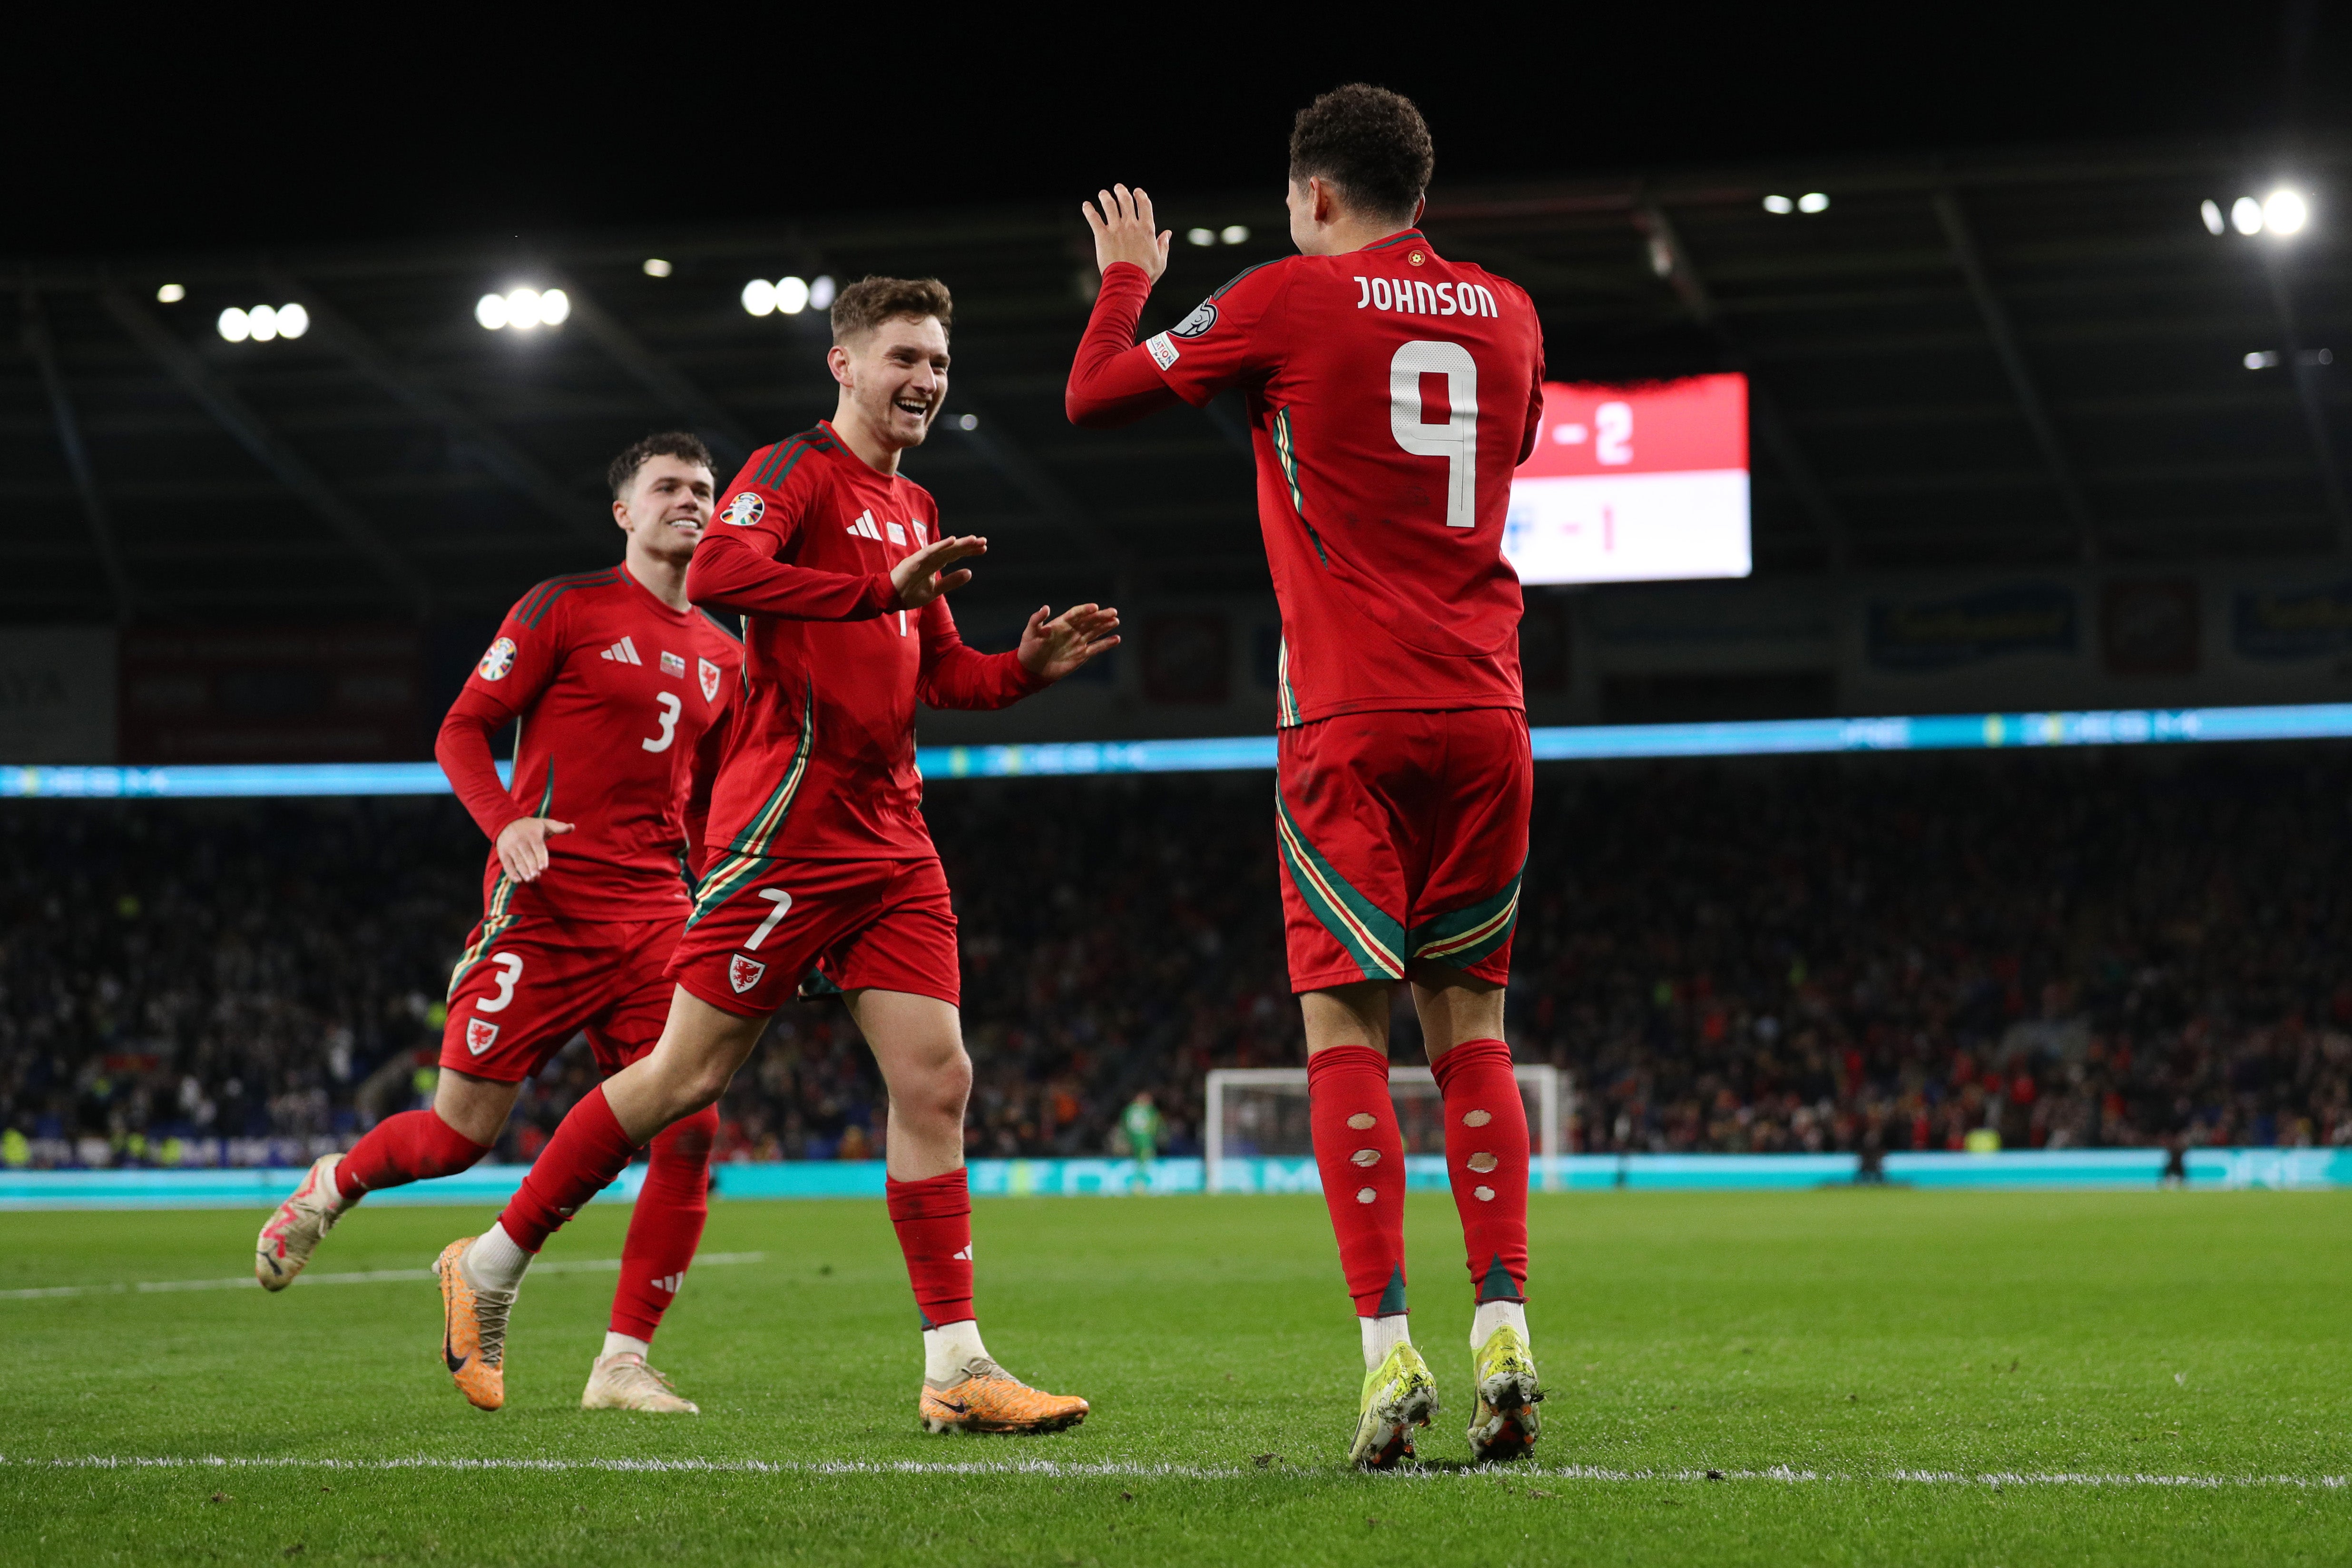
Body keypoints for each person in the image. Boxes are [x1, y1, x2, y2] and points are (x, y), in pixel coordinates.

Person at [431, 276, 1119, 1433]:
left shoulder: (918, 502)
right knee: (683, 1081)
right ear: (843, 366)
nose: (926, 380)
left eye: (940, 364)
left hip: (892, 834)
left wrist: (1021, 672)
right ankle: (490, 1263)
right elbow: (721, 576)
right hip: (784, 828)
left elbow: (937, 668)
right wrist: (871, 592)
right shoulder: (789, 471)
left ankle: (955, 1365)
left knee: (937, 1079)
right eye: (904, 357)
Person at [1065, 84, 1547, 1468]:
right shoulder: (1512, 313)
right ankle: (1503, 1320)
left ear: (1318, 196)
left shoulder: (1290, 295)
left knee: (1349, 1035)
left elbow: (1097, 395)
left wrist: (1128, 282)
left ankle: (1387, 1352)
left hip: (1348, 717)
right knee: (1476, 1033)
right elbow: (1497, 456)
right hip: (1490, 710)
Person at [254, 432, 742, 1414]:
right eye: (667, 488)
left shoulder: (727, 654)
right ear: (625, 511)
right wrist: (510, 821)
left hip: (654, 915)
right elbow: (461, 728)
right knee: (456, 1138)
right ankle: (330, 1187)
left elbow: (705, 802)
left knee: (690, 1126)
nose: (689, 501)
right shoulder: (564, 606)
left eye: (703, 489)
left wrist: (717, 887)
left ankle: (621, 1363)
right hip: (545, 909)